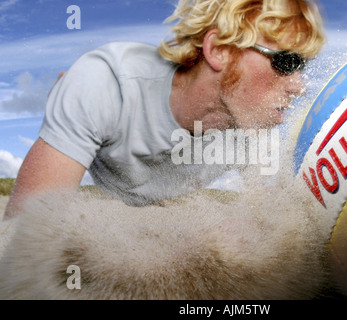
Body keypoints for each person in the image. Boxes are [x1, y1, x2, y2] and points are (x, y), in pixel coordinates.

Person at [3, 0, 325, 220]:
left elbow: (268, 227)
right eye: (286, 62)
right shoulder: (107, 81)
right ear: (219, 51)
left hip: (155, 197)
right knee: (80, 87)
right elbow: (24, 235)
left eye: (303, 67)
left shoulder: (254, 126)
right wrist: (76, 101)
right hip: (107, 140)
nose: (299, 86)